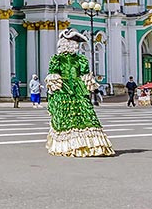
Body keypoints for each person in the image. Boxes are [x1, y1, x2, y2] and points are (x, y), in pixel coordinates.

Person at [45, 29, 115, 157]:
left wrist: (53, 90)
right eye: (74, 43)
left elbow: (54, 76)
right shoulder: (78, 60)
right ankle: (88, 145)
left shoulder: (58, 59)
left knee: (66, 116)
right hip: (75, 89)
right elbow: (84, 76)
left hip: (64, 89)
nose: (76, 46)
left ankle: (68, 146)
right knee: (83, 115)